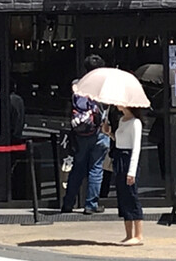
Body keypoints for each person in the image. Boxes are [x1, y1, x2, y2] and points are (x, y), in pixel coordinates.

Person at [61, 54, 110, 215]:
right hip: (99, 132)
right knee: (96, 168)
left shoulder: (77, 85)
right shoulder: (103, 87)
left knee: (78, 168)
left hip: (80, 133)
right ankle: (91, 205)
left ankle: (68, 203)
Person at [102, 105, 144, 246]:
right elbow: (120, 142)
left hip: (128, 159)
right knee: (122, 195)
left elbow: (136, 148)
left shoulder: (135, 122)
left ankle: (138, 235)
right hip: (119, 158)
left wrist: (131, 171)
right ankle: (128, 234)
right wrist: (109, 133)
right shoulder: (122, 120)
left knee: (131, 195)